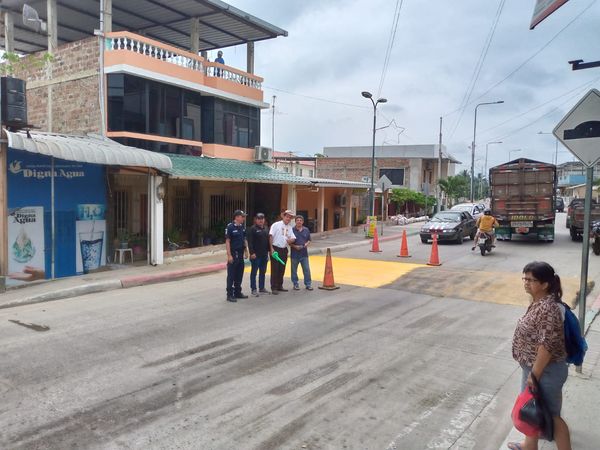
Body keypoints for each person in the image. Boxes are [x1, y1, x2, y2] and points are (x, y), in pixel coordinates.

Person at [509, 261, 571, 450]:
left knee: (551, 416)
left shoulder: (548, 308)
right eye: (525, 278)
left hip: (545, 371)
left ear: (545, 284)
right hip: (534, 368)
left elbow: (547, 346)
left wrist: (534, 375)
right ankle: (529, 446)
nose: (526, 283)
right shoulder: (539, 302)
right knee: (531, 407)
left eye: (531, 280)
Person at [269, 209, 296, 295]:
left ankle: (280, 285)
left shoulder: (289, 227)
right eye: (287, 216)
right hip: (276, 248)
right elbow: (270, 236)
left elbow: (293, 237)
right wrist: (271, 249)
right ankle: (274, 287)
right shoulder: (276, 225)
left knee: (282, 268)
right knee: (275, 269)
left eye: (290, 217)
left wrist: (291, 240)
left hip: (284, 249)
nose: (288, 219)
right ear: (283, 216)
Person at [225, 210, 249, 302]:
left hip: (240, 253)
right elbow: (227, 241)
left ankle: (237, 292)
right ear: (237, 217)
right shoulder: (230, 227)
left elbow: (244, 239)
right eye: (242, 216)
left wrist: (246, 251)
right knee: (231, 275)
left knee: (239, 274)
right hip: (233, 253)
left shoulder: (242, 227)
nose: (244, 218)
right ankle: (229, 294)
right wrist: (229, 255)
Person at [247, 212, 270, 297]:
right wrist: (252, 253)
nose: (261, 220)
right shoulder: (252, 229)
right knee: (254, 272)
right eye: (259, 219)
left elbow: (268, 242)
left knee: (263, 272)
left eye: (262, 219)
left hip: (264, 254)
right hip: (256, 255)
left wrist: (268, 252)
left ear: (264, 220)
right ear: (256, 220)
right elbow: (250, 242)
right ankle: (253, 289)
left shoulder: (266, 228)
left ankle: (262, 288)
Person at [290, 215, 313, 291]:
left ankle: (308, 284)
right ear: (295, 222)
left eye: (300, 220)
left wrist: (306, 244)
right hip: (294, 254)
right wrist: (295, 246)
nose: (299, 222)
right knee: (294, 270)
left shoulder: (306, 230)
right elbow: (289, 242)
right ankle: (295, 284)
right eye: (297, 220)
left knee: (306, 270)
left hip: (304, 254)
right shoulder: (291, 230)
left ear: (302, 222)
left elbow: (309, 240)